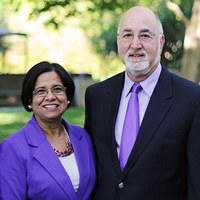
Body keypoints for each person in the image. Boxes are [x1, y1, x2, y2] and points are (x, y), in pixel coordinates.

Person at [84, 5, 200, 200]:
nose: (135, 44)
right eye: (127, 35)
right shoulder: (97, 96)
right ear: (119, 41)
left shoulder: (192, 99)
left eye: (145, 36)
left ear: (161, 42)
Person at [0, 61, 96, 200]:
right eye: (41, 91)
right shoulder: (12, 147)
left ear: (67, 96)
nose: (50, 96)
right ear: (30, 100)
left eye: (57, 89)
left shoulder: (83, 136)